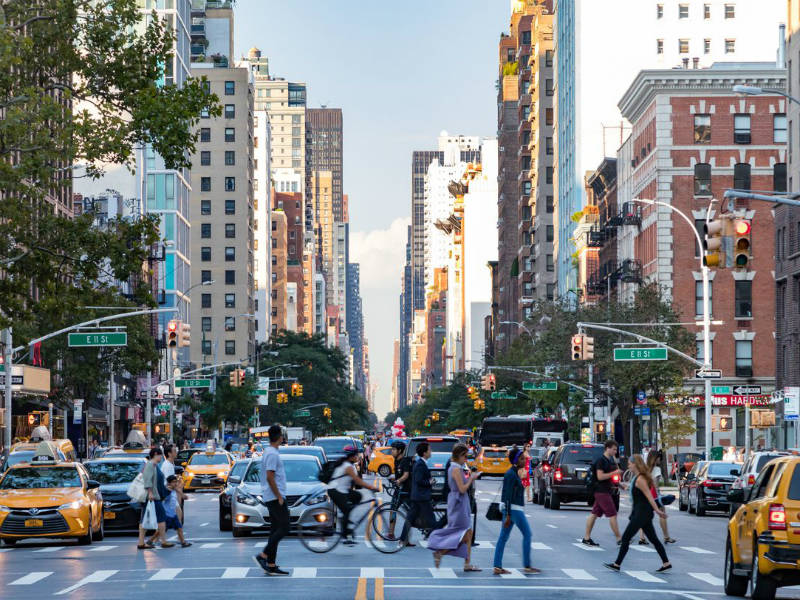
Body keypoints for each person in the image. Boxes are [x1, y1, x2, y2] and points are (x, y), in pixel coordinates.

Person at [604, 454, 671, 573]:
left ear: (635, 464)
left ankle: (617, 564)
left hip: (642, 513)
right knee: (654, 539)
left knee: (625, 538)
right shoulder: (638, 478)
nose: (628, 465)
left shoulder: (640, 479)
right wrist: (624, 486)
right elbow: (636, 491)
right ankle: (666, 563)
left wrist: (658, 510)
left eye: (630, 463)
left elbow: (649, 496)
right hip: (642, 512)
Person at [427, 444, 481, 572]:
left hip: (460, 502)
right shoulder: (455, 468)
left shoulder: (457, 467)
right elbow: (462, 488)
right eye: (465, 456)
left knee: (468, 533)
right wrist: (472, 478)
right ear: (459, 455)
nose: (466, 459)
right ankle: (440, 552)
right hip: (458, 503)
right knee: (462, 533)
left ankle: (467, 563)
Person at [494, 446, 541, 575]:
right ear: (515, 461)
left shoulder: (514, 473)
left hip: (512, 509)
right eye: (521, 459)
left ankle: (497, 566)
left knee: (503, 537)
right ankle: (526, 565)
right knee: (527, 534)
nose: (524, 460)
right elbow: (508, 495)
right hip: (514, 510)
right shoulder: (511, 474)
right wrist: (508, 514)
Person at [254, 425, 290, 576]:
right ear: (280, 437)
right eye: (282, 435)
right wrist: (279, 496)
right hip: (275, 497)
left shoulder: (270, 452)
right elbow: (270, 476)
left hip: (273, 496)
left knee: (275, 529)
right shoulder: (272, 454)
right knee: (285, 527)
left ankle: (271, 563)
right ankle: (263, 555)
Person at [326, 446, 379, 545]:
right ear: (351, 456)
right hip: (335, 490)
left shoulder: (351, 466)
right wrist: (371, 487)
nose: (358, 457)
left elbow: (353, 484)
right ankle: (345, 536)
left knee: (357, 496)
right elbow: (357, 481)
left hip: (343, 490)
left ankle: (345, 518)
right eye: (356, 455)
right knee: (346, 510)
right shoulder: (347, 466)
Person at [583, 439, 623, 546]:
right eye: (614, 449)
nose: (615, 452)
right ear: (607, 448)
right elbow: (600, 477)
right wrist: (615, 472)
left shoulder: (608, 461)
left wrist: (619, 484)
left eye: (616, 450)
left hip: (604, 490)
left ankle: (586, 538)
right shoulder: (601, 460)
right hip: (601, 491)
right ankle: (619, 539)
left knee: (594, 514)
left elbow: (608, 477)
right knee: (613, 514)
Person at [400, 442, 438, 545]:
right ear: (425, 453)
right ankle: (438, 540)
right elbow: (418, 480)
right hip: (421, 496)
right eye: (430, 450)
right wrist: (430, 482)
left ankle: (403, 540)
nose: (431, 452)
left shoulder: (420, 463)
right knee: (431, 519)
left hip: (418, 496)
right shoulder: (420, 464)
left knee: (410, 519)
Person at [137, 447, 173, 549]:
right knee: (161, 518)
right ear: (156, 454)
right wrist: (150, 493)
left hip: (153, 496)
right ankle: (163, 541)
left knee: (144, 519)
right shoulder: (150, 465)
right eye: (160, 455)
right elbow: (147, 480)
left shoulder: (153, 465)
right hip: (152, 497)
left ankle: (141, 542)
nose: (161, 457)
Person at [638, 451, 675, 545]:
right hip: (653, 495)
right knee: (662, 513)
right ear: (655, 458)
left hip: (643, 494)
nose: (660, 460)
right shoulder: (657, 469)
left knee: (643, 516)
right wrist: (659, 495)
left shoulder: (644, 469)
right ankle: (666, 537)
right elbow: (655, 485)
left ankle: (642, 538)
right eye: (659, 458)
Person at [151, 475, 191, 547]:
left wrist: (179, 490)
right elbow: (162, 498)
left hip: (173, 514)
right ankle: (151, 541)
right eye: (173, 482)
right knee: (161, 530)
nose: (175, 483)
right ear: (169, 483)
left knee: (179, 528)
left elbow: (184, 497)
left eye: (176, 482)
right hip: (166, 514)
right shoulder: (167, 490)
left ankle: (183, 542)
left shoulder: (174, 490)